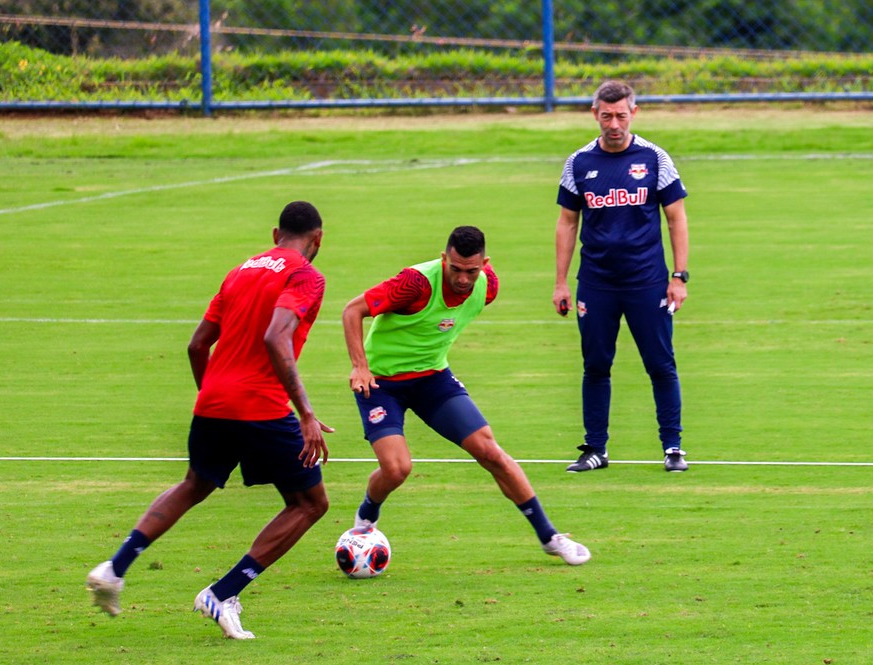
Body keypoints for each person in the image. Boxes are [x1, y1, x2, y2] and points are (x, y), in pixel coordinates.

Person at [86, 201, 332, 639]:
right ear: (318, 239)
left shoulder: (240, 271)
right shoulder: (306, 276)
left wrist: (215, 398)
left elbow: (197, 345)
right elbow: (276, 337)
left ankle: (113, 568)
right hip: (263, 406)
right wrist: (307, 413)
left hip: (214, 402)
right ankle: (223, 593)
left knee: (193, 484)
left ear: (276, 234)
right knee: (310, 504)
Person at [342, 226, 590, 565]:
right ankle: (367, 516)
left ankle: (550, 536)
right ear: (444, 258)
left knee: (490, 451)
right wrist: (360, 366)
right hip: (381, 383)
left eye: (471, 271)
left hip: (432, 379)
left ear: (484, 264)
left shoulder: (488, 287)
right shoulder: (413, 283)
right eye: (455, 268)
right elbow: (352, 311)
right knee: (397, 468)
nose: (462, 278)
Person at [553, 80, 690, 473]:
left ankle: (673, 447)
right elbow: (567, 222)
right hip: (596, 283)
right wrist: (561, 282)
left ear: (634, 113)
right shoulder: (578, 162)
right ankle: (595, 448)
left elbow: (676, 217)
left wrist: (679, 276)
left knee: (661, 364)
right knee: (595, 365)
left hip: (647, 281)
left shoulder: (654, 158)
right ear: (594, 114)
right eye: (606, 115)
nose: (614, 124)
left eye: (621, 115)